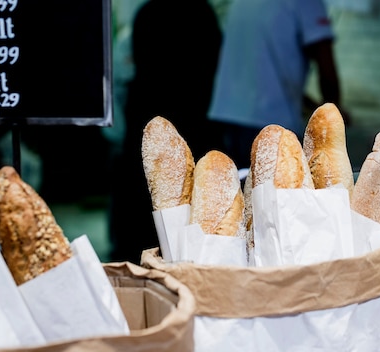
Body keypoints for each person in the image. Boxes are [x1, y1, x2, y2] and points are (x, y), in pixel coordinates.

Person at [108, 0, 223, 263]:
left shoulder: (146, 14)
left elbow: (138, 64)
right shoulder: (201, 12)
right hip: (194, 118)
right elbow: (214, 65)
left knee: (142, 204)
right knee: (191, 206)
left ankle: (138, 268)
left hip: (148, 117)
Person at [208, 0, 350, 170]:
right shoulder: (306, 3)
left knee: (238, 186)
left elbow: (262, 69)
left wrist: (311, 106)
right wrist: (333, 112)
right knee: (275, 191)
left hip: (227, 113)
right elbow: (325, 62)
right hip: (269, 120)